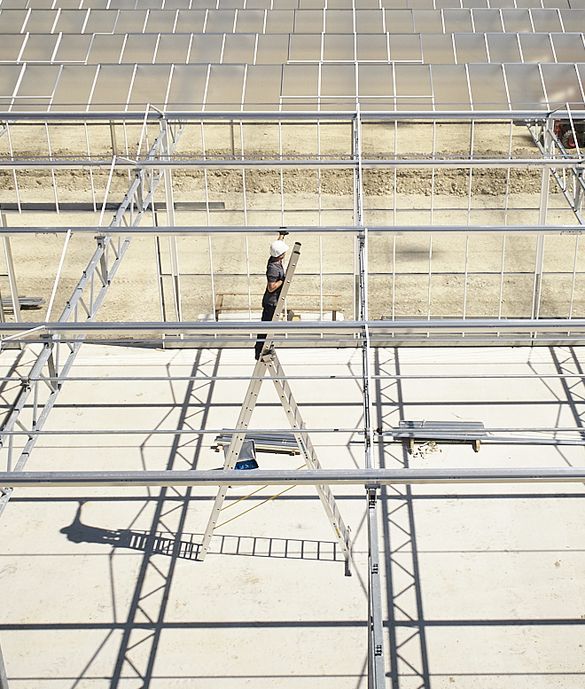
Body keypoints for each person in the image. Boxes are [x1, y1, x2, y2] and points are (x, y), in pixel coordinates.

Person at [254, 232, 289, 360]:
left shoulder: (274, 259)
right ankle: (260, 351)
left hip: (272, 301)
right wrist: (284, 280)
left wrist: (281, 236)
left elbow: (276, 249)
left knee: (268, 325)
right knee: (266, 326)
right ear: (280, 255)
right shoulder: (273, 268)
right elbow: (271, 287)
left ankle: (264, 347)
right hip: (271, 302)